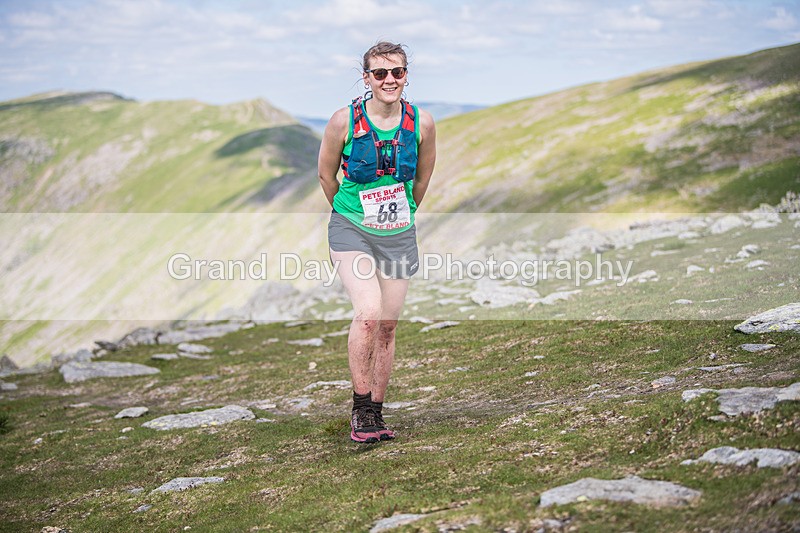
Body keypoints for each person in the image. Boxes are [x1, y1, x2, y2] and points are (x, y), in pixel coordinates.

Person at [318, 41, 436, 444]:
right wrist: (351, 215)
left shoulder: (422, 123)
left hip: (398, 232)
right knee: (368, 312)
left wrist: (405, 214)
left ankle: (376, 413)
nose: (389, 80)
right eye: (380, 73)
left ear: (406, 76)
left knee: (387, 325)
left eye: (397, 72)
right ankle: (360, 407)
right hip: (351, 227)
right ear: (366, 78)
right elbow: (326, 176)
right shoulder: (343, 121)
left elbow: (422, 177)